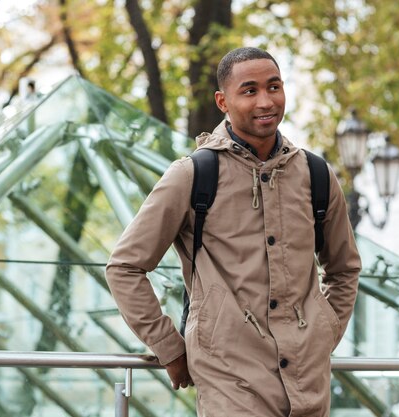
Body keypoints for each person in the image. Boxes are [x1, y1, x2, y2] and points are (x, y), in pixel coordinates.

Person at [106, 47, 361, 417]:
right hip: (230, 386)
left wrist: (324, 334)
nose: (266, 101)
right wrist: (171, 348)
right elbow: (124, 267)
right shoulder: (191, 175)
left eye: (274, 87)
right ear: (223, 101)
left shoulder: (316, 175)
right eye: (250, 90)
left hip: (309, 388)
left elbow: (344, 269)